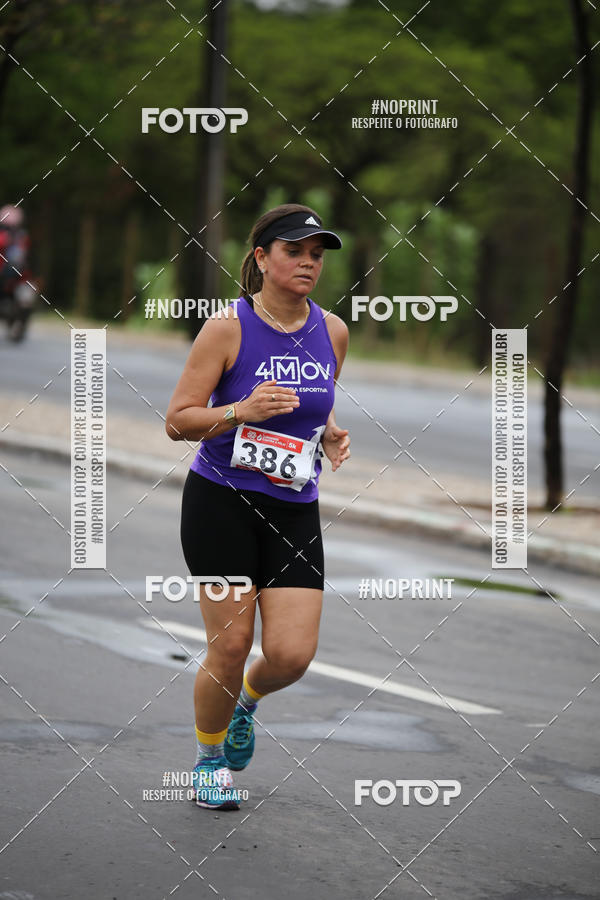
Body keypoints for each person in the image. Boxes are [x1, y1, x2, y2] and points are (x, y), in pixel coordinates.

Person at [166, 203, 351, 809]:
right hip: (221, 500)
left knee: (293, 655)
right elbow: (178, 421)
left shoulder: (333, 331)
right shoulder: (228, 328)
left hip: (294, 505)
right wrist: (239, 411)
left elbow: (315, 405)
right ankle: (208, 761)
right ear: (262, 259)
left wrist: (328, 433)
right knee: (229, 642)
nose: (307, 263)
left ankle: (247, 700)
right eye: (294, 251)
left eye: (316, 255)